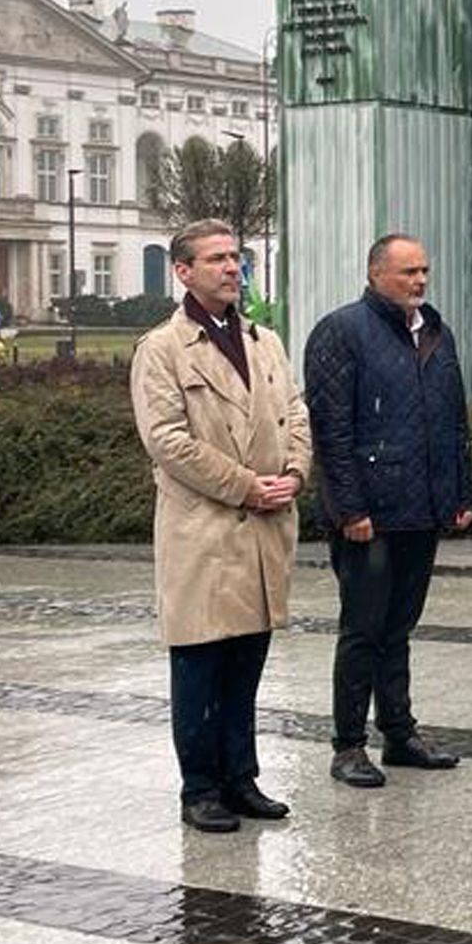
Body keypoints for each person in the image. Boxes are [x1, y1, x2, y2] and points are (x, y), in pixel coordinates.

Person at [130, 219, 312, 832]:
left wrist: (295, 473)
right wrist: (244, 485)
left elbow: (296, 412)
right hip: (204, 532)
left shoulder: (265, 341)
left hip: (263, 530)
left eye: (235, 257)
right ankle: (200, 788)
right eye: (217, 259)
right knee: (200, 666)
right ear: (183, 272)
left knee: (245, 664)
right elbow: (167, 440)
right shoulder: (162, 349)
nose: (233, 268)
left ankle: (241, 778)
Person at [304, 233, 472, 788]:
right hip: (368, 517)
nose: (419, 281)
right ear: (376, 274)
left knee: (399, 627)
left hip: (420, 509)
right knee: (362, 630)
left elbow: (454, 422)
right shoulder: (342, 331)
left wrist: (461, 493)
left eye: (424, 271)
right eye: (408, 272)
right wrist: (348, 509)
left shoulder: (436, 332)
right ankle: (349, 746)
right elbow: (331, 430)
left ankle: (400, 735)